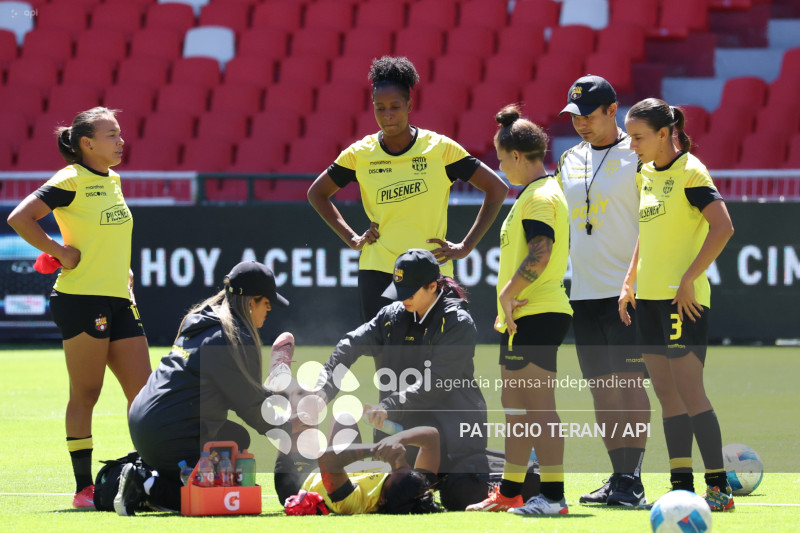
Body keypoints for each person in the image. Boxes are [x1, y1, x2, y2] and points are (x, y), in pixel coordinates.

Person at [6, 107, 151, 508]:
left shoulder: (115, 180)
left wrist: (124, 271)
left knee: (144, 395)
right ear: (87, 143)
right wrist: (58, 251)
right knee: (87, 392)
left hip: (120, 300)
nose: (121, 141)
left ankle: (151, 473)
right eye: (111, 135)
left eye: (120, 134)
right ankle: (83, 488)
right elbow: (21, 218)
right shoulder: (70, 179)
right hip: (80, 299)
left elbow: (106, 234)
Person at [307, 55, 508, 323]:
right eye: (380, 108)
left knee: (434, 361)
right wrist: (352, 238)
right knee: (387, 362)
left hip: (431, 272)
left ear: (410, 105)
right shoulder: (359, 154)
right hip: (378, 272)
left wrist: (465, 246)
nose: (387, 116)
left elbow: (496, 188)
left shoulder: (439, 149)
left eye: (395, 107)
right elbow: (317, 194)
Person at [314, 248, 508, 511]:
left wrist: (389, 406)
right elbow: (351, 344)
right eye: (399, 291)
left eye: (409, 293)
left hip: (450, 437)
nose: (402, 300)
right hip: (400, 439)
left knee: (457, 495)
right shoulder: (391, 315)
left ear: (432, 286)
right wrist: (323, 389)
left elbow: (436, 383)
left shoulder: (457, 322)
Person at [620, 98, 735, 511]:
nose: (632, 146)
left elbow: (723, 227)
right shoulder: (644, 173)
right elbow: (645, 233)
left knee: (690, 393)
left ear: (665, 134)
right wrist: (629, 280)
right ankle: (680, 486)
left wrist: (688, 279)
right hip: (648, 300)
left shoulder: (691, 171)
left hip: (681, 303)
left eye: (638, 137)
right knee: (667, 396)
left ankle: (719, 488)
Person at [120, 261, 291, 515]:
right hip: (167, 435)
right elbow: (251, 407)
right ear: (251, 302)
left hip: (145, 425)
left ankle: (146, 474)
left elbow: (240, 392)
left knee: (236, 439)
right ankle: (149, 485)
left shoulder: (202, 321)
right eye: (266, 302)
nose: (269, 309)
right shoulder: (230, 338)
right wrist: (290, 428)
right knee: (224, 496)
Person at [467, 105, 571, 515]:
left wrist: (508, 294)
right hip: (520, 318)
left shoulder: (542, 196)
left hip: (538, 312)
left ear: (515, 155)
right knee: (515, 408)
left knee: (539, 408)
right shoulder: (532, 194)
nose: (498, 164)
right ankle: (510, 492)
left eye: (499, 155)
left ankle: (554, 496)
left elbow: (540, 253)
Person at [555, 75, 651, 507]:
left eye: (588, 115)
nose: (580, 124)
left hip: (629, 293)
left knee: (630, 385)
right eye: (574, 116)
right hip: (583, 293)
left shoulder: (639, 155)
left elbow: (655, 222)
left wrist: (636, 280)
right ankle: (617, 476)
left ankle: (632, 479)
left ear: (613, 111)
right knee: (601, 389)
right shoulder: (568, 158)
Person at [282, 426, 443, 515]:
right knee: (344, 418)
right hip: (341, 466)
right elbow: (433, 437)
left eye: (394, 471)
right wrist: (397, 439)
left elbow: (327, 458)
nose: (399, 463)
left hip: (299, 481)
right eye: (406, 467)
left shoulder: (356, 504)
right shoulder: (417, 488)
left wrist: (376, 449)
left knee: (294, 423)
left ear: (382, 500)